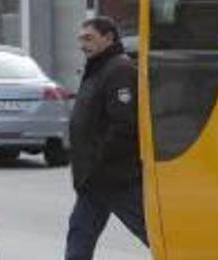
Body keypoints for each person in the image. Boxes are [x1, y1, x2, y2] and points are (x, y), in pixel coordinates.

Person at [65, 17, 148, 260]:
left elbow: (124, 126)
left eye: (89, 38)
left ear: (109, 38)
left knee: (152, 231)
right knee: (79, 234)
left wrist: (98, 164)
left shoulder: (119, 70)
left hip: (115, 177)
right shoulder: (97, 69)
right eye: (81, 39)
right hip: (94, 180)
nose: (83, 44)